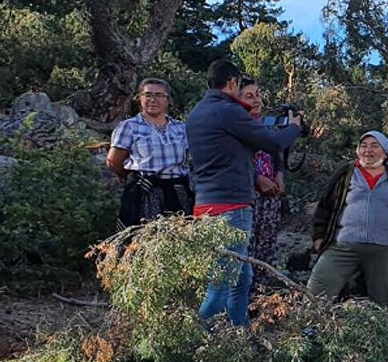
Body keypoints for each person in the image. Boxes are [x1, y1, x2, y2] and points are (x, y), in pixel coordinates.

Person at [186, 60, 304, 327]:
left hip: (205, 204)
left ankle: (240, 337)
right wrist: (294, 126)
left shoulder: (196, 113)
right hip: (231, 207)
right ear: (231, 83)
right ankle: (199, 345)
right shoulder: (228, 111)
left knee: (242, 278)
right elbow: (273, 141)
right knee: (221, 284)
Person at [308, 131, 388, 309]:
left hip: (383, 249)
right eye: (364, 146)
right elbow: (326, 206)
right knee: (317, 291)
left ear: (385, 153)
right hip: (342, 245)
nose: (368, 150)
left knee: (383, 303)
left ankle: (383, 335)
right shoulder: (346, 173)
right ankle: (308, 331)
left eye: (375, 146)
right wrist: (319, 236)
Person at [107, 78, 193, 228]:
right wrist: (131, 178)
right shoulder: (129, 127)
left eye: (159, 95)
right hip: (145, 193)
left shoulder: (180, 128)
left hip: (177, 192)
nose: (153, 100)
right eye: (148, 95)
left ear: (167, 100)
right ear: (140, 98)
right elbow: (113, 161)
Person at [238, 78, 286, 270]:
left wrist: (280, 175)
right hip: (246, 193)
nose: (257, 100)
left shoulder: (267, 125)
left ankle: (261, 293)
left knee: (266, 246)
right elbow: (237, 159)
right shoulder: (235, 125)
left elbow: (277, 154)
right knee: (245, 247)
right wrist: (258, 178)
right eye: (249, 96)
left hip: (270, 194)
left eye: (258, 95)